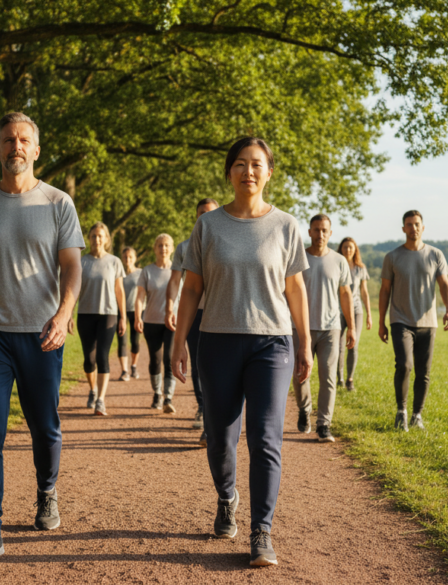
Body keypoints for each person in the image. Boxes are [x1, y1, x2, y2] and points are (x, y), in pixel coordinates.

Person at [173, 137, 312, 567]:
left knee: (266, 438)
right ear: (229, 171)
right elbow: (191, 288)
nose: (248, 171)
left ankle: (261, 531)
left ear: (269, 172)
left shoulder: (286, 225)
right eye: (239, 164)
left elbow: (295, 288)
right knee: (220, 438)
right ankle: (227, 496)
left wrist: (305, 343)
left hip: (272, 342)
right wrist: (178, 341)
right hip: (217, 340)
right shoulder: (208, 226)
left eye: (256, 164)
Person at [0, 112, 84, 564]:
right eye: (8, 140)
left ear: (36, 150)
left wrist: (64, 314)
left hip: (42, 333)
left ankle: (46, 491)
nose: (16, 146)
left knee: (43, 427)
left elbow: (72, 266)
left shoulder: (58, 202)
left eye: (24, 140)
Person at [377, 210, 448, 432]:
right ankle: (401, 412)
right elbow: (384, 290)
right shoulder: (392, 257)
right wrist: (381, 322)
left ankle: (416, 415)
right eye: (409, 225)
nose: (414, 228)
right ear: (403, 228)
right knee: (404, 365)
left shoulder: (435, 254)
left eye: (417, 224)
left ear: (423, 227)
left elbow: (444, 285)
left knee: (423, 372)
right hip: (400, 320)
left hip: (428, 322)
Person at [292, 214, 356, 444]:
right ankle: (304, 409)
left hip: (331, 329)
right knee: (300, 375)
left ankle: (324, 425)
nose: (320, 234)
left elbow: (345, 294)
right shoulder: (298, 258)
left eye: (324, 230)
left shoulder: (339, 261)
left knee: (328, 377)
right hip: (301, 328)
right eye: (316, 230)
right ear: (309, 232)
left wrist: (351, 328)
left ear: (330, 233)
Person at [166, 197, 220, 446]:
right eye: (201, 213)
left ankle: (217, 419)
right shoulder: (184, 247)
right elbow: (175, 280)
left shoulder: (226, 241)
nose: (205, 217)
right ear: (196, 217)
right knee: (199, 365)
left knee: (221, 367)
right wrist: (170, 306)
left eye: (210, 213)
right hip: (196, 312)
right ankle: (205, 414)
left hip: (222, 312)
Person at [73, 222, 126, 416]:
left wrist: (123, 317)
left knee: (102, 357)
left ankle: (101, 400)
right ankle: (93, 389)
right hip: (85, 314)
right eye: (94, 235)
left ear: (106, 239)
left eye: (100, 236)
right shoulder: (81, 262)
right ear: (89, 238)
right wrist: (68, 314)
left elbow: (119, 291)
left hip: (108, 314)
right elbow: (74, 290)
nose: (97, 239)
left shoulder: (114, 262)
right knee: (89, 359)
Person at [135, 234, 177, 412]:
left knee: (169, 358)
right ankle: (157, 393)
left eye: (166, 245)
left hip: (173, 322)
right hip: (151, 321)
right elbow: (140, 296)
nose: (163, 249)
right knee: (155, 360)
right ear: (155, 248)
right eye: (160, 245)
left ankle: (168, 397)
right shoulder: (147, 271)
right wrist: (138, 316)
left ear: (172, 249)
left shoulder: (178, 270)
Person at [337, 237, 373, 392]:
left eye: (351, 247)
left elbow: (364, 292)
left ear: (355, 250)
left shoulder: (360, 268)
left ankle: (350, 379)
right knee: (338, 346)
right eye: (345, 247)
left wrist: (369, 314)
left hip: (357, 310)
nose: (348, 250)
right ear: (341, 249)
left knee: (353, 344)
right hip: (338, 310)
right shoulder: (336, 265)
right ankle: (339, 378)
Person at [117, 247, 142, 381]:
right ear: (122, 258)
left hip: (136, 311)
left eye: (130, 257)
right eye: (125, 257)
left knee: (135, 341)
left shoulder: (140, 273)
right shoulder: (118, 273)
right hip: (120, 311)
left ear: (135, 258)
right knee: (122, 340)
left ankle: (134, 366)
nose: (128, 260)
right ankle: (124, 370)